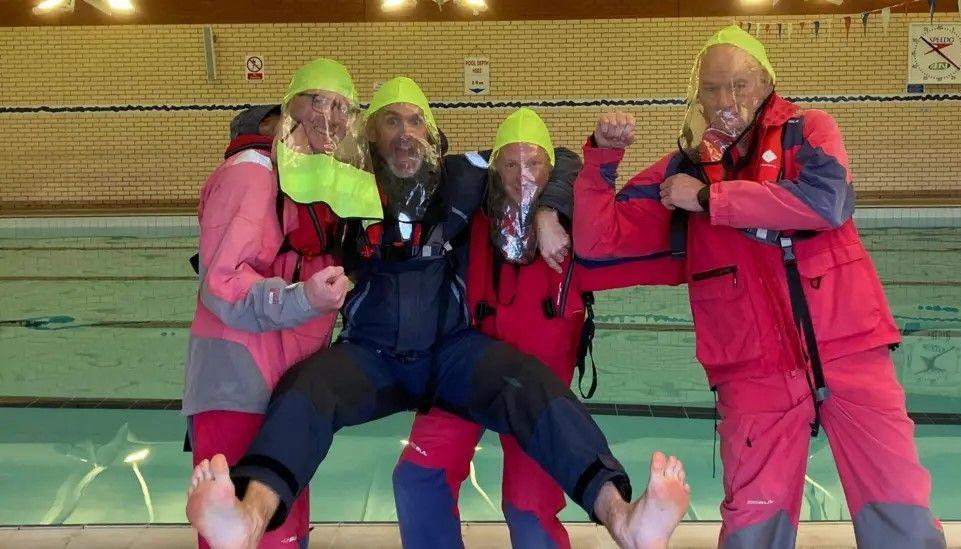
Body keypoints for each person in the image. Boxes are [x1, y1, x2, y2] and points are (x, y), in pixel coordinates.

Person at [187, 77, 690, 549]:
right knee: (306, 389)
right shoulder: (342, 184)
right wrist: (276, 126)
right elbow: (276, 157)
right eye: (391, 122)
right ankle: (248, 517)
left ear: (429, 132)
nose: (405, 134)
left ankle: (623, 515)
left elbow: (543, 157)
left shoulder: (460, 175)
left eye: (415, 122)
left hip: (451, 354)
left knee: (529, 384)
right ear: (370, 134)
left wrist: (548, 210)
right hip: (372, 358)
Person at [572, 25, 945, 548]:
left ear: (766, 83)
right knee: (753, 533)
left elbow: (825, 204)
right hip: (753, 373)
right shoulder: (683, 168)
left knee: (902, 519)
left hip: (848, 351)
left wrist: (710, 200)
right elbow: (598, 244)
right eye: (713, 88)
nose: (727, 100)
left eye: (740, 85)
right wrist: (600, 161)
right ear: (697, 96)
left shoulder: (807, 131)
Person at [393, 107, 686, 548]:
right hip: (469, 377)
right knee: (416, 478)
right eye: (510, 164)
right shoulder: (469, 225)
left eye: (533, 164)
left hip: (538, 398)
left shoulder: (575, 237)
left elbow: (629, 234)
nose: (522, 175)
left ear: (551, 170)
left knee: (528, 510)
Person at [183, 58, 381, 549]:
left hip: (284, 378)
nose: (328, 116)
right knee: (249, 530)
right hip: (239, 377)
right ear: (286, 111)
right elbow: (223, 284)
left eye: (341, 108)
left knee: (282, 526)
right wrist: (302, 298)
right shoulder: (251, 175)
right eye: (316, 102)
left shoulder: (313, 181)